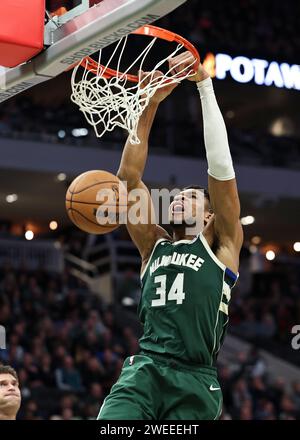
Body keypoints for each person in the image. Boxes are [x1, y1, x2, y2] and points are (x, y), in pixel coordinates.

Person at [98, 51, 243, 420]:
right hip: (144, 372)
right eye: (176, 197)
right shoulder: (153, 245)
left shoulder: (222, 246)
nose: (178, 201)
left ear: (210, 216)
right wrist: (148, 104)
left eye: (190, 198)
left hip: (195, 380)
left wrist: (204, 86)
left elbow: (221, 168)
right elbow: (128, 179)